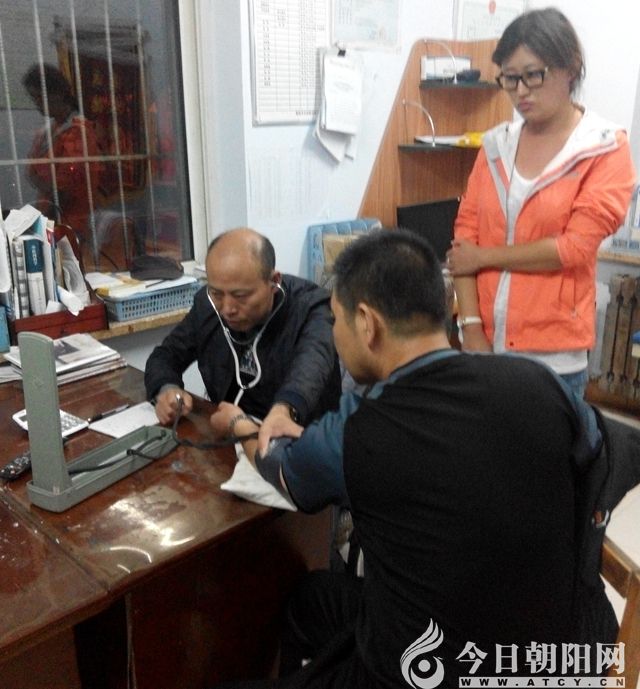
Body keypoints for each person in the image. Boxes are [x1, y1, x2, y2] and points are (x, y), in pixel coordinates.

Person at [209, 229, 617, 689]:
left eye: (336, 321)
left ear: (367, 323)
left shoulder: (359, 430)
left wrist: (239, 425)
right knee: (312, 598)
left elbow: (280, 466)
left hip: (421, 670)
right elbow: (599, 455)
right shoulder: (539, 382)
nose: (335, 335)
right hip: (559, 652)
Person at [446, 8, 636, 397]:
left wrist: (485, 257)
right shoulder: (496, 146)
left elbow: (573, 248)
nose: (521, 91)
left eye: (533, 75)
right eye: (510, 78)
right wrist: (471, 328)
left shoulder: (603, 148)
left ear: (571, 67)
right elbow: (464, 242)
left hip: (553, 361)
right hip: (484, 347)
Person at [145, 227, 342, 445]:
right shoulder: (207, 305)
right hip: (227, 438)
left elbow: (311, 367)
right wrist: (166, 389)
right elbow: (165, 356)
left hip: (298, 443)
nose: (227, 308)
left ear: (273, 281)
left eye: (240, 296)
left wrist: (285, 408)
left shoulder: (312, 308)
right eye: (217, 293)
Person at [23, 63, 104, 243]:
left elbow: (63, 192)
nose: (37, 104)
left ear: (58, 94)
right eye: (34, 98)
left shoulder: (78, 133)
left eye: (40, 97)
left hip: (70, 225)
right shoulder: (49, 130)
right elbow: (31, 174)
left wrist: (36, 229)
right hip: (50, 219)